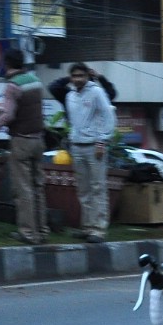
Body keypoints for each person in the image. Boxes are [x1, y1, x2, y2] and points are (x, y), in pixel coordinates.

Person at [0, 50, 51, 244]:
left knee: (24, 189)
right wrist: (1, 112)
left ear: (7, 64)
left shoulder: (12, 86)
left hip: (21, 140)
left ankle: (28, 233)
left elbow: (10, 116)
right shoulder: (35, 81)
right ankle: (42, 231)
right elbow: (23, 109)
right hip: (39, 139)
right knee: (38, 187)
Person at [48, 63, 116, 243]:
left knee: (97, 188)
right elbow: (54, 87)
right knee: (83, 190)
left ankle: (99, 229)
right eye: (74, 76)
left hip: (94, 146)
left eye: (81, 76)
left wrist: (102, 140)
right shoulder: (70, 95)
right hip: (76, 145)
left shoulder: (96, 92)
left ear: (87, 76)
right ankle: (87, 227)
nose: (78, 79)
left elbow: (108, 117)